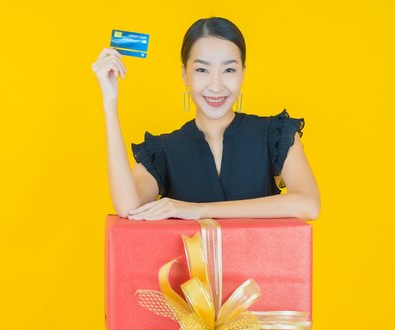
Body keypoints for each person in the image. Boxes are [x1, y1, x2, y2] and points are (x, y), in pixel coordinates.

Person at [91, 17, 320, 221]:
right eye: (202, 70)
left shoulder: (273, 135)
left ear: (243, 72)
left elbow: (308, 205)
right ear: (184, 74)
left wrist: (200, 210)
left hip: (263, 269)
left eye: (229, 70)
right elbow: (128, 208)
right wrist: (109, 101)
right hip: (188, 270)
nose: (216, 85)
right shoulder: (163, 150)